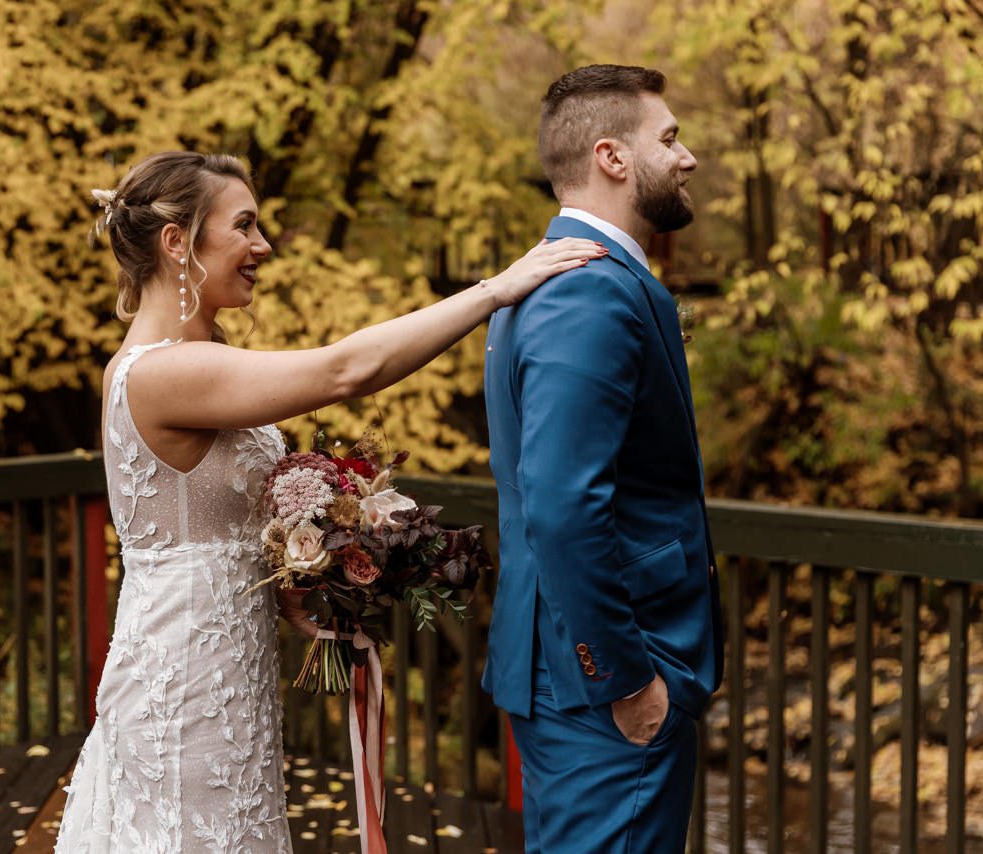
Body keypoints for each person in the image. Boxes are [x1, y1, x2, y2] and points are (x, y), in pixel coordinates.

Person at [52, 150, 605, 853]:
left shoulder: (192, 357)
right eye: (245, 226)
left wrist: (297, 569)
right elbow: (348, 370)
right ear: (176, 243)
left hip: (226, 664)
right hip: (183, 675)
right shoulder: (166, 372)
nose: (264, 246)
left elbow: (208, 511)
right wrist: (495, 292)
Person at [481, 65, 725, 852]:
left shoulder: (570, 273)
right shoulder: (586, 290)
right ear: (613, 157)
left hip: (568, 674)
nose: (686, 158)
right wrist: (624, 678)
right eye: (670, 138)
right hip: (599, 687)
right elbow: (558, 504)